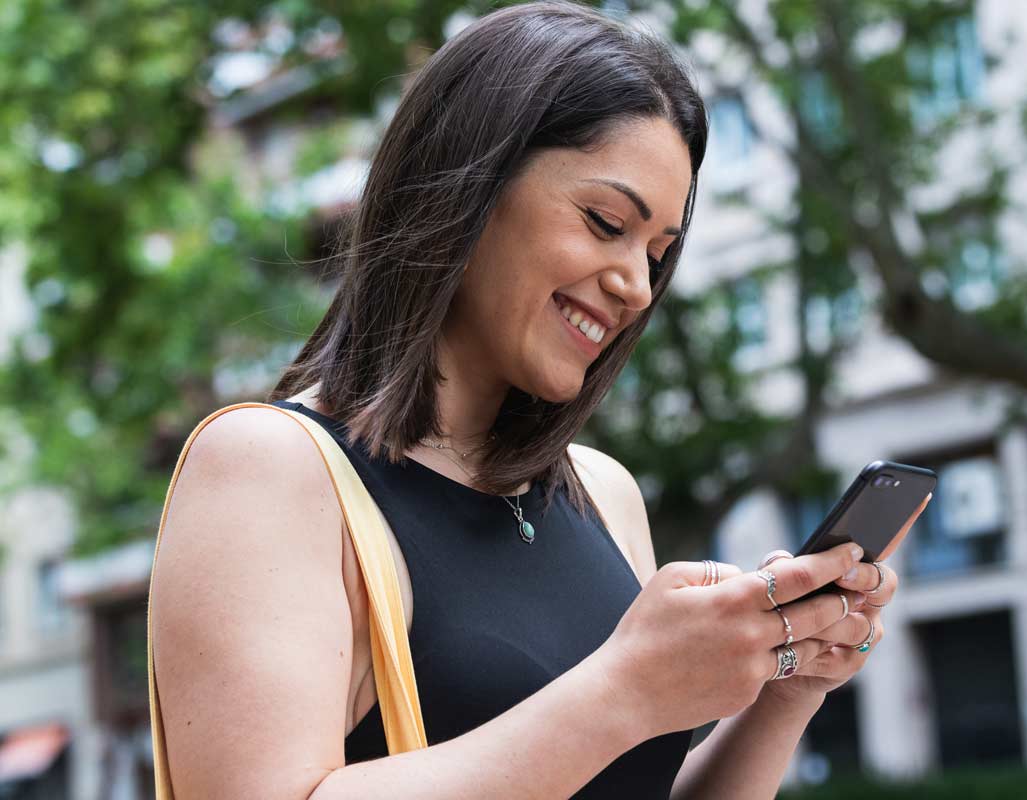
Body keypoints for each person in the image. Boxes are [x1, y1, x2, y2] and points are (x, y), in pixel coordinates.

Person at [148, 2, 918, 797]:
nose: (636, 286)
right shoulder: (266, 468)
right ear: (466, 185)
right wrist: (627, 691)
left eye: (659, 252)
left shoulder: (603, 494)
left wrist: (784, 690)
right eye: (604, 221)